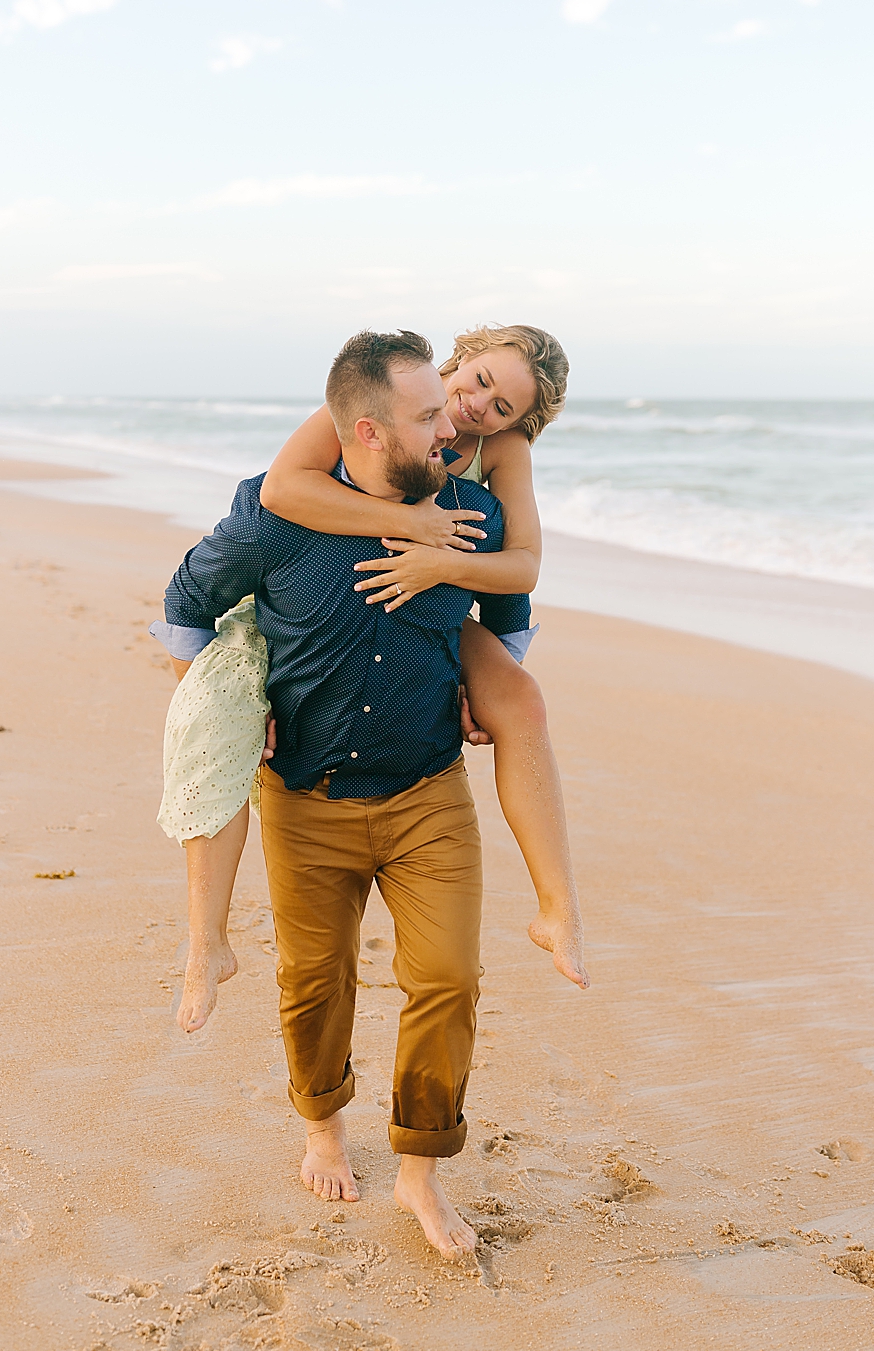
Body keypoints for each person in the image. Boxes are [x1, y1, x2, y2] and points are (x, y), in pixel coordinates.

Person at [152, 329, 543, 1258]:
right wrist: (226, 702)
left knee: (449, 977)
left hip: (424, 788)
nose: (458, 418)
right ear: (369, 431)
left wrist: (478, 694)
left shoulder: (474, 516)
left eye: (493, 409)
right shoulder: (276, 512)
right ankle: (323, 1125)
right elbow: (181, 607)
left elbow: (516, 608)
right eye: (442, 405)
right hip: (305, 793)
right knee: (313, 980)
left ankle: (421, 1168)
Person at [160, 323, 585, 1039]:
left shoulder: (497, 463)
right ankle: (206, 942)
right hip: (310, 594)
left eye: (504, 407)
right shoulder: (373, 404)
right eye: (478, 380)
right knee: (217, 719)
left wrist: (454, 623)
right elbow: (285, 490)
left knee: (521, 698)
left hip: (441, 592)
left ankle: (559, 906)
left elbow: (521, 572)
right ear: (463, 356)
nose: (478, 407)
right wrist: (408, 522)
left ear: (518, 425)